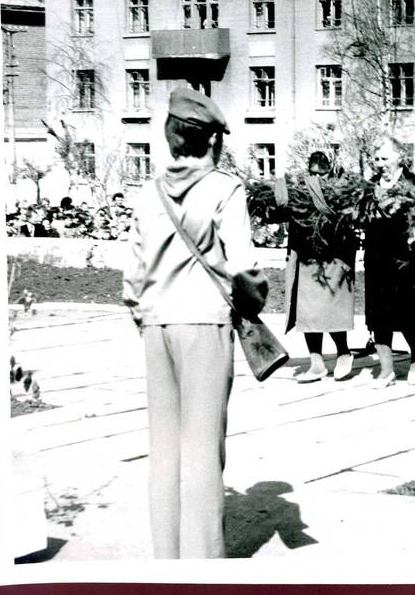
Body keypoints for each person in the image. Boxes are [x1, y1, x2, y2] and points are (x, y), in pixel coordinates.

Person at [123, 87, 266, 558]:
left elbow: (133, 276)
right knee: (203, 448)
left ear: (169, 138)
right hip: (205, 324)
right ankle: (204, 564)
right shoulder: (225, 189)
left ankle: (166, 559)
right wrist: (250, 304)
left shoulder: (148, 192)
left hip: (155, 326)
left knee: (163, 447)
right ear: (212, 142)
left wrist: (145, 314)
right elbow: (245, 269)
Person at [273, 151, 356, 384]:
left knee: (330, 310)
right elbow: (279, 213)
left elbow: (348, 224)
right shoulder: (300, 194)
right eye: (311, 173)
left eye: (320, 174)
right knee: (307, 312)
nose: (315, 178)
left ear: (328, 172)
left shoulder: (338, 195)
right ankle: (316, 363)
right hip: (307, 259)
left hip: (332, 261)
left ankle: (343, 352)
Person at [363, 136, 415, 387]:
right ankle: (386, 370)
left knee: (406, 314)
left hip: (406, 261)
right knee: (378, 316)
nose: (380, 163)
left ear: (399, 157)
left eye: (385, 158)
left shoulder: (414, 183)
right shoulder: (370, 185)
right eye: (376, 159)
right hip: (376, 259)